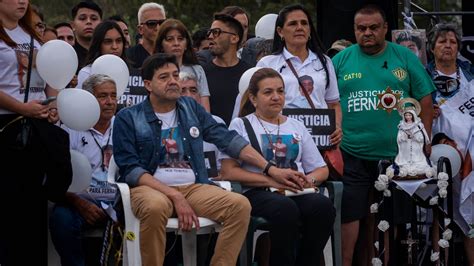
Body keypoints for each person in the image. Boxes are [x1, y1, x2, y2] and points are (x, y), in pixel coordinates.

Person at [112, 53, 305, 265]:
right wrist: (174, 196)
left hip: (193, 187)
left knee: (239, 206)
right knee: (156, 207)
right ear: (148, 84)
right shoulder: (128, 117)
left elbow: (228, 139)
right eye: (164, 77)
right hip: (150, 189)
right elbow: (130, 170)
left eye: (175, 75)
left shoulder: (190, 108)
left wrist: (270, 169)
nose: (173, 81)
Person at [331, 4, 435, 266]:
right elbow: (327, 102)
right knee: (351, 216)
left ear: (385, 28)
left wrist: (425, 138)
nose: (367, 32)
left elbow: (425, 99)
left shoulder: (404, 57)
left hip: (397, 156)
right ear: (354, 30)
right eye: (361, 28)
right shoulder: (339, 61)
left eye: (373, 28)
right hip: (351, 153)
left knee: (391, 219)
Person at [221, 68, 335, 265]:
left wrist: (308, 180)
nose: (276, 97)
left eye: (280, 91)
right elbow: (228, 171)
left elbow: (321, 168)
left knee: (323, 207)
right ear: (253, 98)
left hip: (294, 190)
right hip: (258, 191)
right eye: (268, 92)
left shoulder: (296, 126)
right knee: (285, 209)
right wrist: (271, 179)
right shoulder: (240, 125)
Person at [0, 1, 72, 265]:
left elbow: (50, 77)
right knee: (9, 213)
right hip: (7, 131)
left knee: (33, 211)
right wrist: (22, 108)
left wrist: (52, 105)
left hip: (37, 129)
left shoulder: (31, 36)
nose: (22, 2)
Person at [50, 74, 117, 266]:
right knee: (61, 219)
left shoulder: (123, 124)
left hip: (119, 200)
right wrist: (79, 203)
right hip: (80, 199)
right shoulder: (70, 127)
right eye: (103, 96)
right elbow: (57, 178)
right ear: (88, 99)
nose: (110, 102)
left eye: (113, 96)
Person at [256, 4, 343, 147]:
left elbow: (333, 103)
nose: (299, 27)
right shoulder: (267, 63)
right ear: (280, 31)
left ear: (309, 30)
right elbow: (257, 105)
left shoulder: (324, 62)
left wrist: (337, 127)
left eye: (304, 23)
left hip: (319, 140)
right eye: (292, 24)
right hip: (281, 139)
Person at [426, 22, 474, 265]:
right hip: (439, 153)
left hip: (471, 157)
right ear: (432, 48)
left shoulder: (471, 73)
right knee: (438, 212)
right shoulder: (422, 76)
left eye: (453, 42)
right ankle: (439, 261)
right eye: (442, 41)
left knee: (472, 213)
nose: (448, 45)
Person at [203, 13, 250, 125]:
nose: (210, 37)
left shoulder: (249, 74)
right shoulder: (202, 73)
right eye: (210, 32)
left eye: (216, 32)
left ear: (234, 38)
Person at [155, 19, 211, 111]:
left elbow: (205, 108)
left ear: (186, 44)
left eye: (180, 39)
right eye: (170, 39)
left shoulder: (197, 70)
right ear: (161, 45)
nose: (176, 43)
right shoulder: (154, 70)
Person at [76, 20, 127, 89]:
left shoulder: (129, 71)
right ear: (98, 45)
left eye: (119, 41)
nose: (115, 47)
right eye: (108, 42)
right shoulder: (87, 73)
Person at [394, 106, 432, 177]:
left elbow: (421, 138)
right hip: (405, 146)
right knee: (404, 159)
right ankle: (404, 168)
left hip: (415, 146)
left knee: (418, 159)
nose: (408, 117)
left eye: (409, 115)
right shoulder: (402, 126)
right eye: (406, 115)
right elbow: (399, 138)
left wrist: (414, 137)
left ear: (413, 115)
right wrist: (405, 137)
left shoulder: (418, 125)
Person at [126, 2, 166, 69]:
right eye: (151, 24)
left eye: (162, 23)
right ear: (140, 29)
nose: (158, 28)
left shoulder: (172, 54)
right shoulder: (129, 57)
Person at [70, 1, 102, 70]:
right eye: (82, 18)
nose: (88, 22)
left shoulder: (107, 53)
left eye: (94, 18)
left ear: (101, 24)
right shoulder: (68, 56)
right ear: (73, 25)